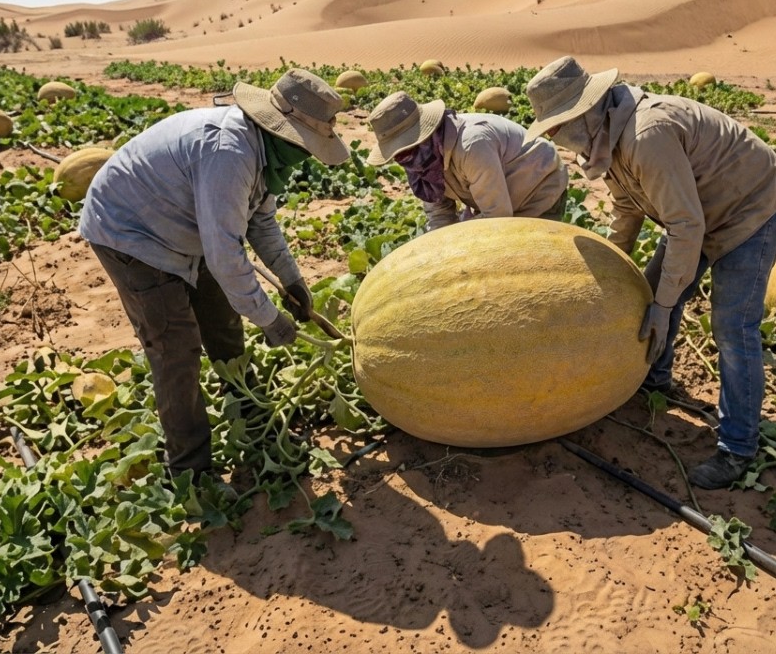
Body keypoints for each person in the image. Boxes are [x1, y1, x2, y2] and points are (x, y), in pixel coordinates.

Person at [525, 56, 776, 489]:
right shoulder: (607, 138)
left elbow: (686, 226)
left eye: (557, 126)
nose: (556, 137)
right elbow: (629, 208)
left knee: (731, 327)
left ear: (582, 113)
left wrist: (665, 304)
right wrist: (615, 265)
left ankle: (737, 448)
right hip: (697, 212)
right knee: (647, 293)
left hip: (750, 209)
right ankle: (655, 378)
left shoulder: (646, 135)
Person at [78, 68, 350, 487]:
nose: (308, 154)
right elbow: (225, 256)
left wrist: (291, 279)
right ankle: (189, 470)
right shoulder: (230, 153)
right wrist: (270, 319)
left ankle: (246, 404)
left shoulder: (267, 153)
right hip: (130, 231)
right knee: (175, 346)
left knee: (222, 319)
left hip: (186, 227)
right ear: (284, 131)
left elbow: (260, 224)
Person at [365, 91, 568, 230]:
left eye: (406, 147)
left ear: (424, 135)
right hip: (495, 203)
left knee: (527, 260)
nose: (404, 159)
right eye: (398, 153)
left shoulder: (472, 144)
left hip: (539, 188)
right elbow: (439, 216)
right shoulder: (420, 160)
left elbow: (498, 216)